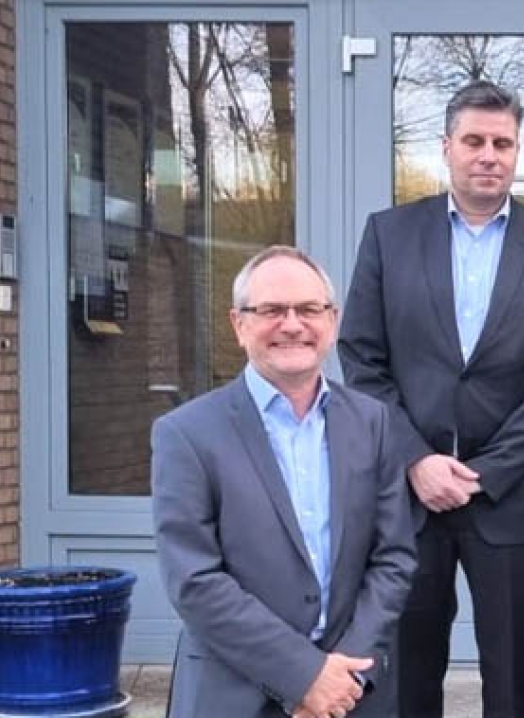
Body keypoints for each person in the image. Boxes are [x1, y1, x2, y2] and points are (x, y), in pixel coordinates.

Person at [338, 79, 524, 718]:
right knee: (406, 679)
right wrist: (416, 460)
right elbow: (362, 358)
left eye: (502, 143)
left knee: (512, 683)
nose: (489, 154)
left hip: (514, 499)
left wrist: (485, 474)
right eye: (474, 140)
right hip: (408, 498)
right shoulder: (389, 236)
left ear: (517, 153)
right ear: (447, 147)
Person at [152, 246, 417, 718]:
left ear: (331, 321)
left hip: (353, 693)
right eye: (271, 310)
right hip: (235, 693)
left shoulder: (372, 421)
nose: (292, 324)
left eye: (309, 309)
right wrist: (304, 675)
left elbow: (393, 558)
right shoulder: (186, 433)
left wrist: (341, 677)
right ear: (239, 324)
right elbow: (195, 580)